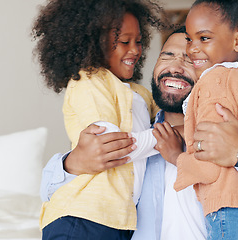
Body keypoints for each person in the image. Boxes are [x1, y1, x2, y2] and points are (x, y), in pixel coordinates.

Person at [41, 27, 238, 239]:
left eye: (192, 59)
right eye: (167, 55)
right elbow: (50, 194)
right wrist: (72, 163)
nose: (177, 66)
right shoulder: (133, 134)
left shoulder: (237, 133)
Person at [156, 0, 238, 239]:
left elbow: (209, 168)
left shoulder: (214, 84)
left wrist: (176, 156)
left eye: (204, 38)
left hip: (237, 214)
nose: (192, 49)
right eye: (190, 38)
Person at [32, 0, 165, 239]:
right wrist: (167, 136)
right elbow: (110, 147)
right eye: (124, 41)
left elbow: (173, 118)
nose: (135, 50)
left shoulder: (140, 93)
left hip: (119, 222)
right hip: (82, 217)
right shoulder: (89, 80)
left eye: (139, 41)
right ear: (93, 42)